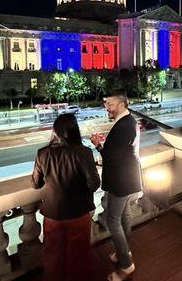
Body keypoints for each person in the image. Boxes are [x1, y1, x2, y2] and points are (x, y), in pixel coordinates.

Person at [32, 113, 100, 281]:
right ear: (75, 131)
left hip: (53, 214)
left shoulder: (43, 153)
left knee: (52, 255)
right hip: (78, 213)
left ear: (55, 131)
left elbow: (36, 184)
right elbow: (94, 185)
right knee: (78, 256)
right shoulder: (83, 152)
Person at [91, 94, 142, 281]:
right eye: (106, 103)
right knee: (125, 214)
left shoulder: (124, 125)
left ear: (121, 104)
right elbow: (119, 151)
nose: (107, 107)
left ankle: (126, 265)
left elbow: (112, 157)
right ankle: (124, 252)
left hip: (120, 181)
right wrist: (107, 146)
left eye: (110, 104)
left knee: (113, 221)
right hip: (128, 179)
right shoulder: (128, 121)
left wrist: (98, 146)